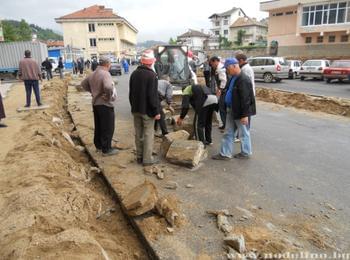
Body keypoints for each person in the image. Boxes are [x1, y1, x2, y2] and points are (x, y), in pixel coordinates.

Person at [212, 58, 256, 160]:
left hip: (240, 112)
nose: (227, 71)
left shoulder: (243, 79)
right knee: (228, 132)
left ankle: (246, 152)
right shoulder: (234, 78)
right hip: (232, 109)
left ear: (234, 66)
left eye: (228, 68)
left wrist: (245, 115)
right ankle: (225, 154)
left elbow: (246, 99)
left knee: (243, 132)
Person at [81, 56, 118, 157]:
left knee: (99, 126)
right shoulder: (105, 73)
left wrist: (93, 92)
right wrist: (108, 96)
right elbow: (108, 86)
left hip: (95, 104)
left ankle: (99, 146)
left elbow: (83, 84)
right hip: (105, 104)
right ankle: (106, 149)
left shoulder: (93, 73)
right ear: (107, 64)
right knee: (108, 127)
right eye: (110, 64)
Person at [129, 49, 160, 166]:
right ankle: (147, 159)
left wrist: (133, 106)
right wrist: (156, 111)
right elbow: (152, 97)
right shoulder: (152, 75)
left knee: (138, 133)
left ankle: (139, 156)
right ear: (151, 62)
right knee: (148, 134)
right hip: (147, 111)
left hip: (136, 109)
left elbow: (131, 93)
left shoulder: (134, 74)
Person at [209, 56, 227, 130]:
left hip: (224, 91)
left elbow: (223, 80)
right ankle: (224, 123)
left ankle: (226, 125)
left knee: (222, 108)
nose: (212, 66)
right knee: (222, 108)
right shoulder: (218, 68)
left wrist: (220, 90)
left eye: (212, 64)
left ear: (215, 61)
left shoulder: (220, 68)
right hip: (223, 90)